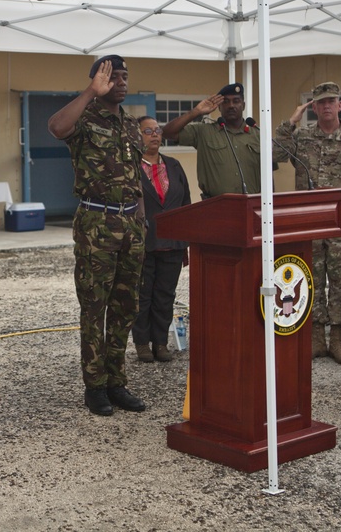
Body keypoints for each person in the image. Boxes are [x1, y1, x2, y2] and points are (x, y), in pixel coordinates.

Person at [47, 55, 147, 417]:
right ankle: (95, 387)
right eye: (111, 77)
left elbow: (136, 180)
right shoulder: (85, 119)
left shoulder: (132, 125)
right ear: (96, 81)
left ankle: (117, 381)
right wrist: (91, 92)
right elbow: (56, 127)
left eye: (124, 77)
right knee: (94, 307)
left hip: (131, 226)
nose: (119, 82)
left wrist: (142, 222)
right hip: (97, 223)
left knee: (125, 307)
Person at [274, 82, 341, 364]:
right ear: (314, 108)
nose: (327, 106)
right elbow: (274, 155)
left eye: (332, 101)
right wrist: (290, 123)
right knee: (311, 279)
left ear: (340, 105)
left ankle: (336, 340)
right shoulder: (302, 137)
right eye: (321, 102)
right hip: (308, 221)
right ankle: (316, 339)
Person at [133, 116, 191, 364]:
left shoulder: (174, 165)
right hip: (143, 244)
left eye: (157, 130)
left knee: (165, 296)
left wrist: (186, 241)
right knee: (143, 296)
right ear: (137, 136)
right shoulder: (131, 167)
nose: (154, 135)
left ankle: (161, 343)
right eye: (148, 131)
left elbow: (185, 203)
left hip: (172, 244)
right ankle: (143, 344)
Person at [162, 83, 271, 197]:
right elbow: (167, 133)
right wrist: (196, 112)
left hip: (252, 204)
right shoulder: (203, 131)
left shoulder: (258, 135)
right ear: (219, 107)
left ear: (243, 105)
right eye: (226, 102)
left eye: (236, 101)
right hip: (215, 206)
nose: (231, 105)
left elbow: (269, 175)